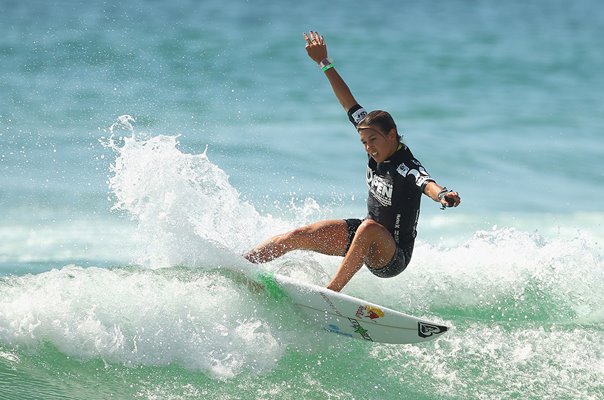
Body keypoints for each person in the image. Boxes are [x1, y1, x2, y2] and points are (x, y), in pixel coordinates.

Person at [244, 31, 461, 292]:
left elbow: (426, 183)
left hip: (392, 256)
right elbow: (348, 101)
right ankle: (242, 264)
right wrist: (324, 62)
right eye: (364, 143)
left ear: (392, 135)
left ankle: (330, 293)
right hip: (363, 239)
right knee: (299, 235)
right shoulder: (372, 140)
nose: (369, 148)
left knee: (369, 228)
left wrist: (444, 195)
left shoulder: (406, 165)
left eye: (374, 140)